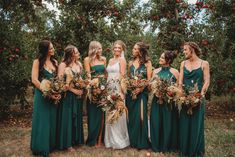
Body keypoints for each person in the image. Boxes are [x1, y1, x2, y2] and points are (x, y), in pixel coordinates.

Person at [179, 42, 210, 157]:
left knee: (196, 124)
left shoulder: (204, 63)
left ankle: (195, 150)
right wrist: (181, 94)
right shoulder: (183, 63)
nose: (184, 52)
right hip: (185, 98)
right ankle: (185, 150)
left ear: (192, 50)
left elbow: (207, 80)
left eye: (185, 50)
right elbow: (180, 82)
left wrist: (201, 94)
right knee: (185, 123)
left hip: (198, 98)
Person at [31, 40, 61, 157]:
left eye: (53, 47)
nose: (53, 50)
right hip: (42, 96)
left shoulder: (55, 62)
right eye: (51, 48)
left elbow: (57, 80)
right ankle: (40, 146)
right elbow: (34, 80)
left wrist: (57, 92)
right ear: (45, 50)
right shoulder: (37, 62)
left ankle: (51, 145)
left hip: (53, 96)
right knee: (42, 120)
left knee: (52, 119)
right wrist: (47, 91)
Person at [150, 51, 179, 154]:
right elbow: (151, 85)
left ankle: (166, 146)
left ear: (169, 60)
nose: (160, 59)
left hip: (169, 102)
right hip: (156, 101)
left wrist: (171, 92)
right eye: (160, 57)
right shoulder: (155, 71)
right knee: (156, 122)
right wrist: (156, 91)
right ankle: (156, 145)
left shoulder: (175, 72)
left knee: (168, 123)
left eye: (162, 58)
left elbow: (178, 88)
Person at [57, 45, 84, 151]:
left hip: (78, 96)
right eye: (76, 52)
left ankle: (76, 140)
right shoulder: (63, 65)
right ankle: (67, 144)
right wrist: (74, 90)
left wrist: (82, 86)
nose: (78, 53)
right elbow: (60, 83)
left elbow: (82, 78)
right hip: (68, 96)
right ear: (71, 54)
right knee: (68, 118)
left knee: (76, 116)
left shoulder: (79, 64)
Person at [126, 42, 152, 149]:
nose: (133, 50)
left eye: (135, 49)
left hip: (142, 94)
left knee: (141, 117)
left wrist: (140, 88)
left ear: (140, 51)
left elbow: (149, 80)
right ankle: (133, 141)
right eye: (133, 48)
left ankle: (142, 142)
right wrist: (131, 87)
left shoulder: (147, 63)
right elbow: (128, 78)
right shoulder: (130, 63)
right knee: (132, 117)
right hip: (131, 94)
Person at [104, 40, 130, 149]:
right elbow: (107, 74)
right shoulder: (110, 60)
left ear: (122, 49)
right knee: (109, 111)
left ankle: (118, 141)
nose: (117, 49)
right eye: (115, 47)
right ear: (112, 49)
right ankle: (110, 140)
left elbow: (122, 76)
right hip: (109, 87)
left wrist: (121, 91)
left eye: (119, 48)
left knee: (117, 112)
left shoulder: (122, 60)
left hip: (117, 88)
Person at [84, 41, 106, 147]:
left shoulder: (103, 59)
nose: (101, 50)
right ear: (93, 49)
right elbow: (88, 76)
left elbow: (105, 75)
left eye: (101, 48)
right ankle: (92, 139)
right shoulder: (87, 60)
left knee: (102, 114)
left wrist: (104, 86)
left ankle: (100, 139)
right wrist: (93, 87)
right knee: (93, 115)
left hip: (103, 88)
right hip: (93, 90)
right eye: (99, 48)